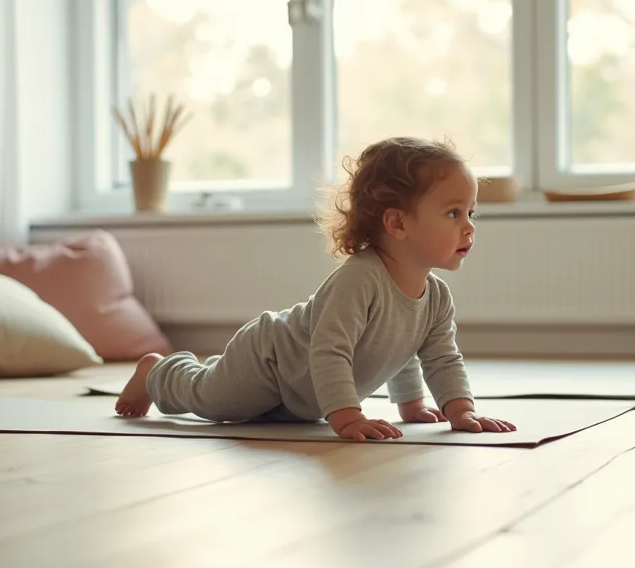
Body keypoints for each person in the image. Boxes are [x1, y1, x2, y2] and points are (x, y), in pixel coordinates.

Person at [114, 136, 517, 441]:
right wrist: (347, 416)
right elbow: (330, 350)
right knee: (210, 402)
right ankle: (159, 371)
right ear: (397, 224)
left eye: (470, 212)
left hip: (301, 398)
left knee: (267, 423)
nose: (469, 226)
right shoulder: (360, 279)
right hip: (269, 362)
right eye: (452, 213)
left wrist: (449, 409)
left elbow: (422, 352)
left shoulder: (436, 298)